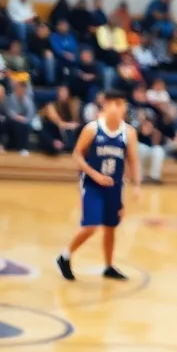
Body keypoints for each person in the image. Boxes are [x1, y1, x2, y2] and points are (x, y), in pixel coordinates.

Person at [57, 90, 141, 281]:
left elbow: (133, 160)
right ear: (107, 105)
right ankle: (64, 256)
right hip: (92, 184)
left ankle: (109, 266)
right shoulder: (92, 129)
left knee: (111, 226)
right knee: (91, 225)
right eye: (116, 104)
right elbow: (77, 155)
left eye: (122, 105)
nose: (120, 109)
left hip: (114, 185)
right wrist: (95, 174)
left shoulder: (129, 132)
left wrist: (137, 185)